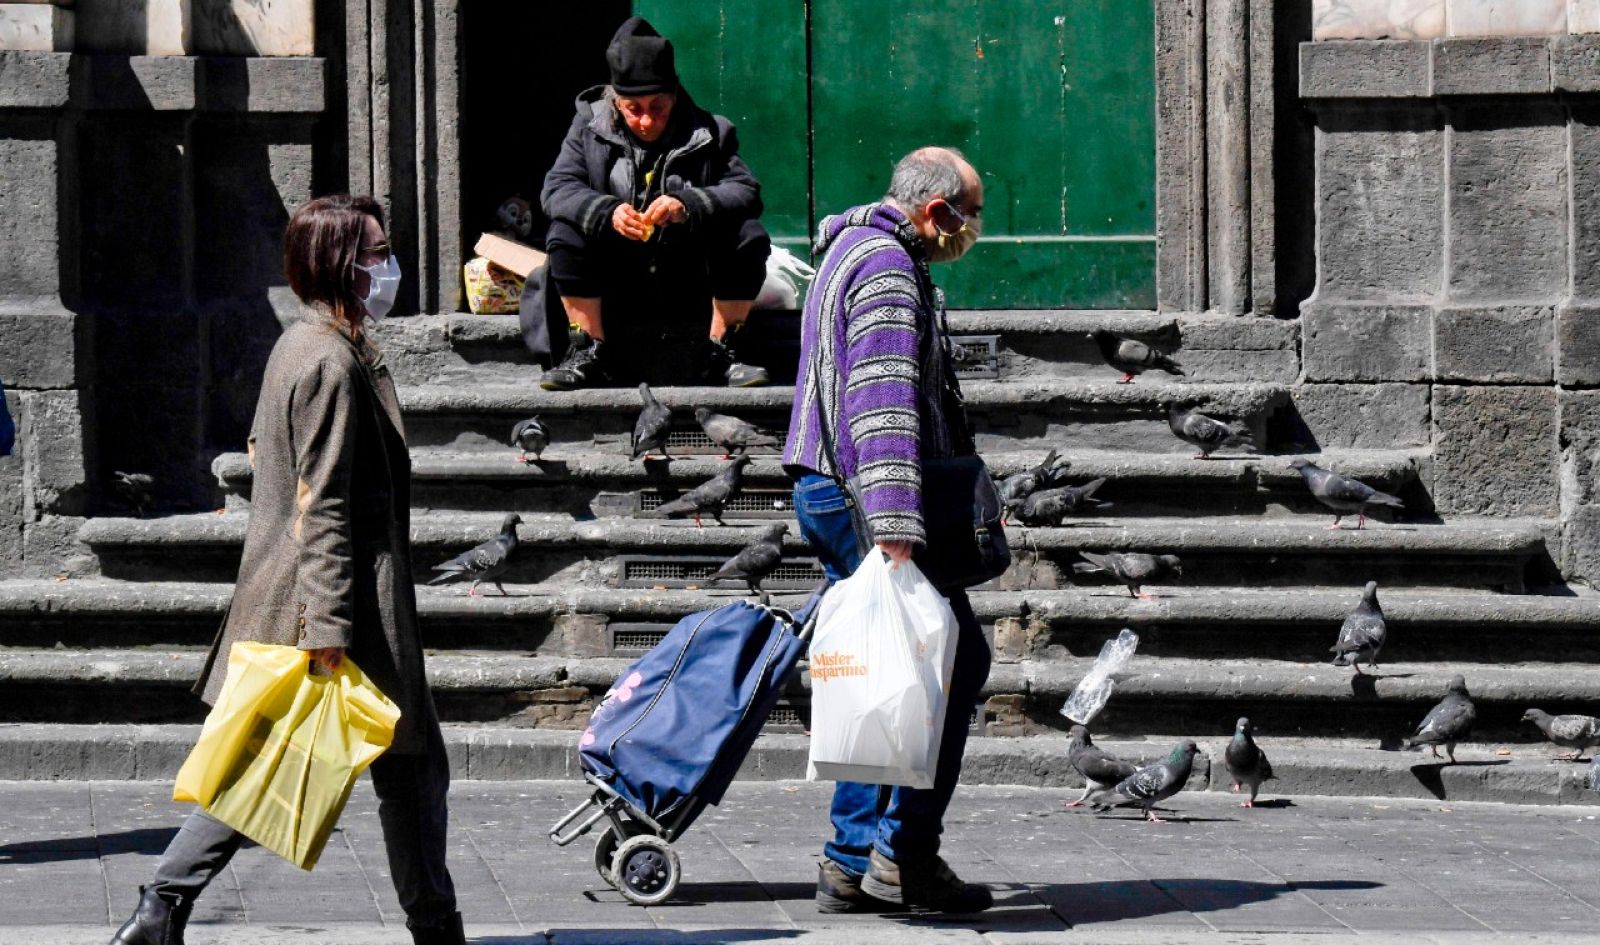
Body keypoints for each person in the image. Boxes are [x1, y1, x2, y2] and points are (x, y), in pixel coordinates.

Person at [110, 195, 465, 945]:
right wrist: (328, 627)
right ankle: (163, 903)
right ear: (340, 263)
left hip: (325, 597)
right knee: (309, 765)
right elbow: (323, 504)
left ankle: (163, 906)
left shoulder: (307, 345)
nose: (386, 265)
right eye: (374, 252)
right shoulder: (331, 362)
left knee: (390, 768)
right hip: (340, 604)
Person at [783, 147, 992, 914]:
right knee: (950, 658)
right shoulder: (887, 269)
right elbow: (881, 402)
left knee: (886, 665)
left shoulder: (850, 247)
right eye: (968, 215)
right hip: (863, 497)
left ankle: (851, 859)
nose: (972, 230)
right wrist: (897, 528)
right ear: (934, 211)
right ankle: (900, 854)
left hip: (834, 488)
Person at [538, 15, 772, 390]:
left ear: (675, 95)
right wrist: (607, 212)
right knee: (565, 232)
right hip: (616, 272)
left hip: (686, 272)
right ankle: (587, 351)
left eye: (658, 107)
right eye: (634, 108)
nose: (647, 120)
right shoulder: (587, 129)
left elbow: (745, 190)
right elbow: (557, 188)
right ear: (615, 101)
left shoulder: (712, 132)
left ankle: (721, 350)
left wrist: (689, 204)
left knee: (747, 233)